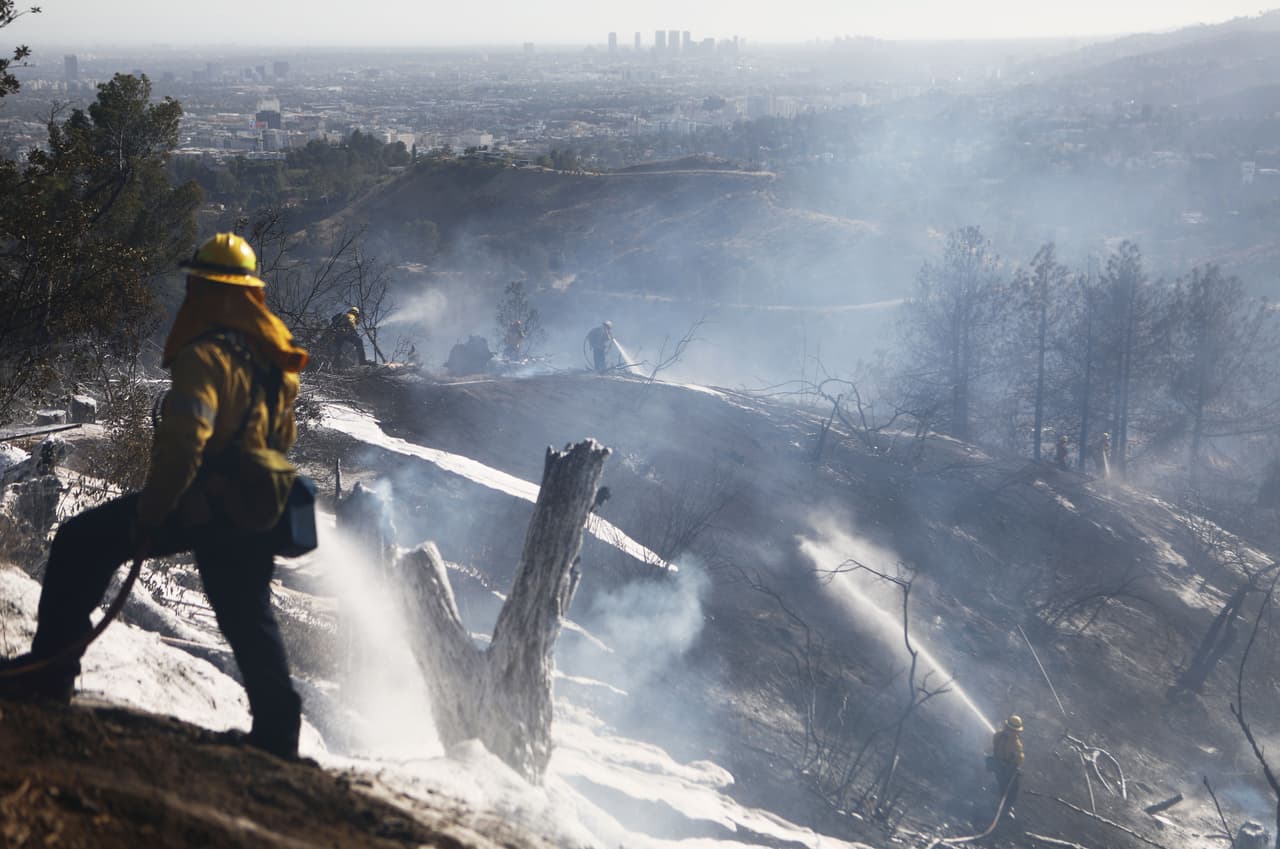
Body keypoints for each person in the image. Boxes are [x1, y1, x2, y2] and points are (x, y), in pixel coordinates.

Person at [0, 233, 310, 759]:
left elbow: (184, 443)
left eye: (197, 283)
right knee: (246, 613)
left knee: (81, 541)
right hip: (260, 501)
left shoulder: (206, 357)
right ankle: (278, 734)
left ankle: (49, 673)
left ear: (210, 290)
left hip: (207, 501)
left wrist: (153, 511)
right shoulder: (269, 354)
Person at [991, 714, 1024, 818]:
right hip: (1007, 769)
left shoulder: (998, 736)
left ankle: (1001, 804)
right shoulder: (1015, 743)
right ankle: (1006, 809)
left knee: (1002, 786)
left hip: (998, 765)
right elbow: (1019, 759)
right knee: (1012, 789)